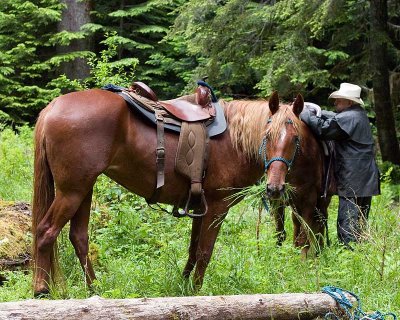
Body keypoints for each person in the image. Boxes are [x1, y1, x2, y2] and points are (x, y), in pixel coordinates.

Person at [300, 83, 380, 247]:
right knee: (359, 222)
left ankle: (350, 258)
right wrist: (317, 111)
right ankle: (359, 256)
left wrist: (305, 113)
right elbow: (334, 117)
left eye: (338, 100)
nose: (335, 103)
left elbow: (323, 129)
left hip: (354, 178)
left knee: (347, 224)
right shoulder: (358, 114)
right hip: (364, 176)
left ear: (349, 103)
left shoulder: (350, 118)